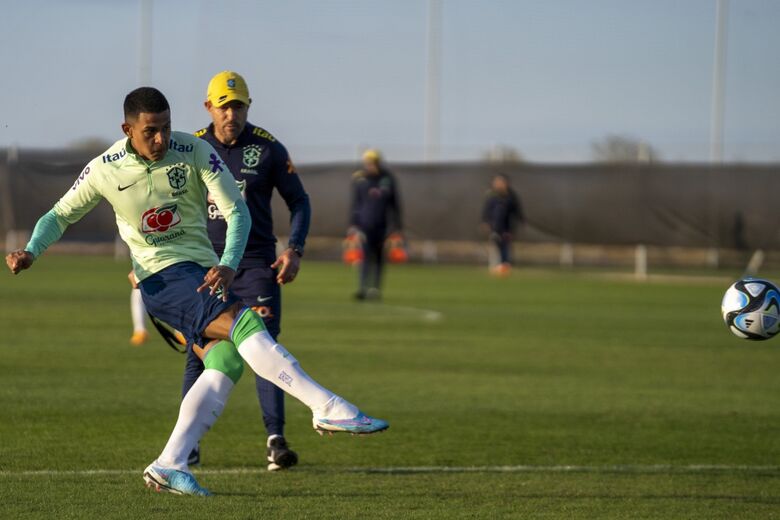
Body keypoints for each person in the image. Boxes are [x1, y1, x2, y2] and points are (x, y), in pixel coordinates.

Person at [5, 87, 388, 497]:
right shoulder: (104, 168)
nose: (161, 139)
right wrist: (31, 250)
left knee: (227, 361)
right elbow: (60, 214)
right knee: (245, 325)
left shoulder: (194, 150)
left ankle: (170, 463)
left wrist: (227, 261)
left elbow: (235, 210)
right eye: (150, 131)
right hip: (160, 278)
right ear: (127, 129)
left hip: (203, 270)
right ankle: (325, 406)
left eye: (166, 128)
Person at [186, 70, 311, 471]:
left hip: (256, 264)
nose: (231, 114)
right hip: (205, 266)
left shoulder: (268, 149)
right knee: (198, 353)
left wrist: (294, 249)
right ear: (209, 107)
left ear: (247, 107)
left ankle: (276, 440)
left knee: (265, 348)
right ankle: (188, 444)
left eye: (238, 105)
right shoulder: (190, 148)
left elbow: (300, 202)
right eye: (223, 106)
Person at [348, 149, 402, 300]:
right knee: (364, 257)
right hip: (364, 226)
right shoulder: (360, 180)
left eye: (373, 162)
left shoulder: (388, 179)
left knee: (378, 258)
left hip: (382, 226)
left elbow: (395, 204)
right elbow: (355, 204)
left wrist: (396, 227)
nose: (370, 165)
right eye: (368, 162)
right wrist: (353, 225)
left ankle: (375, 289)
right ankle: (362, 288)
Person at [481, 173, 523, 276]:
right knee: (494, 247)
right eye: (496, 182)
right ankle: (495, 267)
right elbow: (486, 212)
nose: (498, 184)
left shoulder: (511, 198)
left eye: (500, 182)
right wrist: (485, 222)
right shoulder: (491, 197)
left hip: (506, 228)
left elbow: (517, 213)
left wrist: (515, 226)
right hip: (494, 228)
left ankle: (504, 267)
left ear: (506, 183)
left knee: (505, 247)